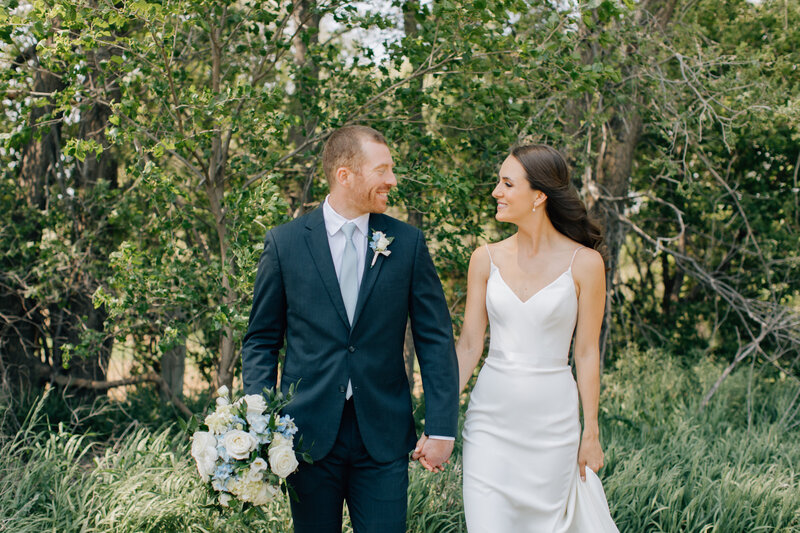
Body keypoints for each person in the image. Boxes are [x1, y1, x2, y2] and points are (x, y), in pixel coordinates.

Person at [241, 125, 459, 533]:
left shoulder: (407, 243)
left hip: (383, 435)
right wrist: (257, 421)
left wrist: (441, 427)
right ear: (345, 175)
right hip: (305, 438)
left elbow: (435, 339)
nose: (392, 180)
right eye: (383, 170)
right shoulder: (284, 244)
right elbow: (261, 339)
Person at [457, 144, 619, 532]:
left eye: (507, 183)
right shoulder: (485, 258)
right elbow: (468, 346)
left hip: (553, 427)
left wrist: (591, 432)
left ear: (539, 196)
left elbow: (586, 352)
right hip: (489, 425)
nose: (496, 191)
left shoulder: (585, 264)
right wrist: (440, 417)